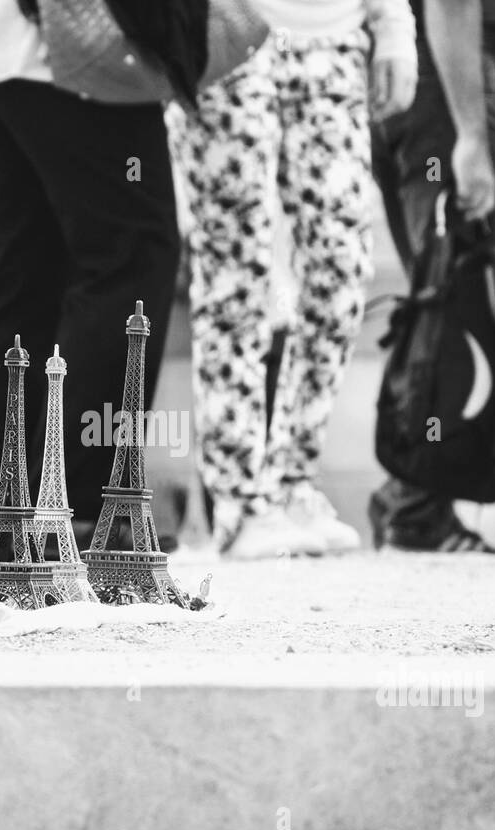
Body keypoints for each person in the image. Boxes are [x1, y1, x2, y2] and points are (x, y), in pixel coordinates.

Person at [0, 0, 181, 546]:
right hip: (70, 49)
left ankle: (14, 518)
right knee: (129, 257)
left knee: (18, 277)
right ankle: (80, 509)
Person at [168, 0, 417, 559]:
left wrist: (395, 26)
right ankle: (237, 502)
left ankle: (291, 483)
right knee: (235, 273)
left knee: (341, 265)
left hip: (333, 40)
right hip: (222, 37)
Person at [368, 0, 495, 554]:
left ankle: (408, 498)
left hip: (403, 78)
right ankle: (416, 511)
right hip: (447, 84)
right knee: (454, 308)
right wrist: (473, 135)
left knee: (436, 301)